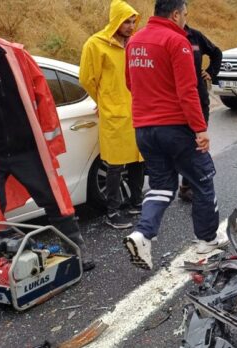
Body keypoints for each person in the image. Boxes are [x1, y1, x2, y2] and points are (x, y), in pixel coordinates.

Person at [123, 0, 225, 271]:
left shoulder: (134, 42)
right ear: (176, 14)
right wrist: (200, 129)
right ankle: (207, 239)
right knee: (203, 179)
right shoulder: (176, 41)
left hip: (144, 130)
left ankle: (143, 234)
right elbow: (188, 91)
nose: (185, 20)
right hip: (176, 129)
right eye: (185, 15)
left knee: (161, 186)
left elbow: (130, 84)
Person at [0, 24, 95, 271]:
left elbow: (44, 98)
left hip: (27, 149)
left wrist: (49, 144)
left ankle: (76, 252)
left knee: (57, 204)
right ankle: (2, 271)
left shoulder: (16, 56)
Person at [80, 0, 145, 230]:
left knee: (138, 159)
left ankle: (137, 202)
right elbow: (87, 78)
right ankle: (113, 211)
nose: (129, 26)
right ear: (115, 20)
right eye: (125, 21)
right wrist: (103, 100)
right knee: (115, 165)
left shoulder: (134, 43)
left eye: (132, 21)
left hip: (137, 110)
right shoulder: (96, 44)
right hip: (114, 113)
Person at [178, 24, 222, 202]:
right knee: (181, 142)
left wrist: (210, 72)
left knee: (196, 142)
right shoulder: (167, 37)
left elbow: (216, 53)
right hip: (177, 100)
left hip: (198, 97)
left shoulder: (195, 36)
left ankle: (187, 185)